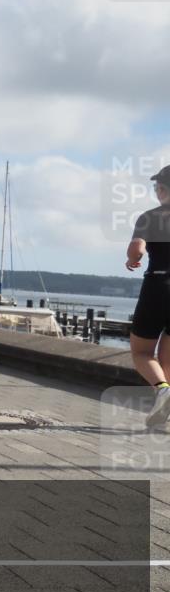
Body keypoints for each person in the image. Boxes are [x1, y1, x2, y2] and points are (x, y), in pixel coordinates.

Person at [127, 166, 170, 427]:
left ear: (163, 189)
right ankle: (164, 412)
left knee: (141, 352)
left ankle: (163, 391)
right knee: (167, 359)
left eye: (157, 187)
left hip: (158, 285)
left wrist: (133, 259)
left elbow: (137, 248)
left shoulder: (150, 217)